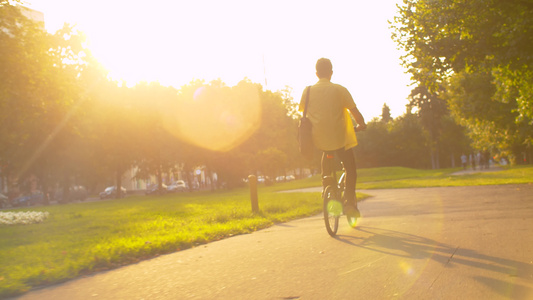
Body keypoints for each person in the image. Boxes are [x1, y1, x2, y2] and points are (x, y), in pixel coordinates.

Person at [299, 58, 367, 218]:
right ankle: (349, 202)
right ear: (331, 72)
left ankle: (326, 184)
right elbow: (355, 113)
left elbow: (303, 110)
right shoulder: (339, 90)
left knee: (326, 153)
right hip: (340, 138)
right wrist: (361, 125)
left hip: (318, 138)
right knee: (350, 169)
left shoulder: (307, 91)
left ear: (316, 73)